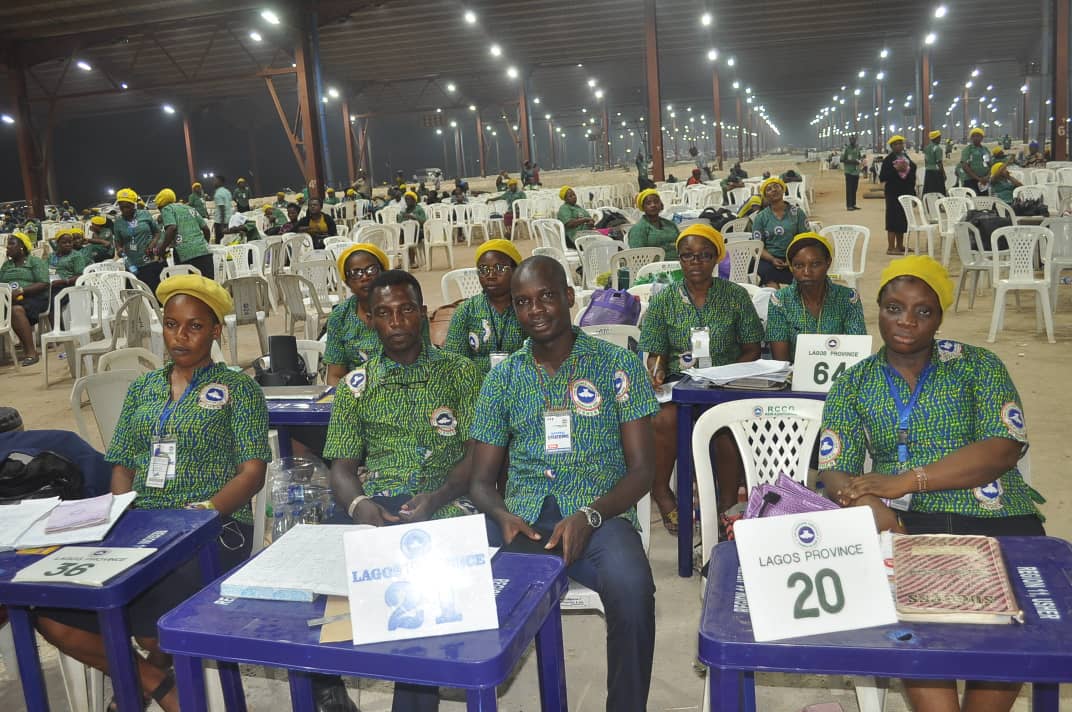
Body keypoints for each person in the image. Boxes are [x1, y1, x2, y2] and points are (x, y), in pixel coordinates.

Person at [34, 275, 269, 712]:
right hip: (141, 526)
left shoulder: (239, 389)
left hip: (212, 529)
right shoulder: (143, 388)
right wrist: (123, 515)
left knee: (147, 625)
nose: (180, 336)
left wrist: (200, 516)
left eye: (195, 326)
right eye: (171, 324)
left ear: (216, 330)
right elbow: (122, 464)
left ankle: (145, 676)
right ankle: (159, 685)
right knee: (53, 616)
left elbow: (252, 473)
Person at [820, 255, 1042, 712]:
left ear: (940, 317)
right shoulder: (854, 382)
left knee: (1007, 646)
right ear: (877, 309)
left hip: (998, 518)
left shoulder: (978, 365)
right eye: (894, 307)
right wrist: (870, 508)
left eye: (924, 311)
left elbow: (1004, 447)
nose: (907, 322)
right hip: (907, 526)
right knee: (924, 646)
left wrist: (905, 481)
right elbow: (833, 463)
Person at [467, 255, 658, 712]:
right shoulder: (503, 378)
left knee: (633, 591)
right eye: (523, 302)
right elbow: (479, 480)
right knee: (463, 593)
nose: (536, 310)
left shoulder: (617, 365)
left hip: (600, 512)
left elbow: (643, 470)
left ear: (570, 298)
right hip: (525, 518)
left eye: (547, 296)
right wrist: (500, 514)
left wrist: (591, 515)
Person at [324, 268, 482, 712]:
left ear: (424, 314)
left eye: (405, 310)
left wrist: (437, 499)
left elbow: (478, 455)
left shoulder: (461, 374)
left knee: (423, 593)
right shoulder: (356, 385)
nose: (396, 322)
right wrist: (358, 506)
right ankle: (327, 690)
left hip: (448, 500)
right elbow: (341, 466)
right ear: (371, 320)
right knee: (316, 569)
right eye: (384, 313)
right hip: (375, 503)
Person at [638, 223, 763, 531]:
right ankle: (663, 494)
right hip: (680, 386)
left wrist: (727, 376)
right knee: (662, 419)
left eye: (705, 255)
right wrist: (657, 370)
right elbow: (654, 352)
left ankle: (725, 505)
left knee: (725, 427)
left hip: (725, 385)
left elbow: (752, 349)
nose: (696, 263)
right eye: (688, 256)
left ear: (716, 258)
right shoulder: (663, 300)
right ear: (680, 259)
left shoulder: (736, 296)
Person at [765, 232, 867, 362]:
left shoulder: (848, 299)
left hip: (842, 379)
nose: (807, 272)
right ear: (791, 267)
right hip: (793, 378)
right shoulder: (780, 301)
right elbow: (781, 361)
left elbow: (857, 351)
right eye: (798, 266)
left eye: (815, 264)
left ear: (828, 263)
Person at [443, 240, 525, 376]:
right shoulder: (467, 311)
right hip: (476, 386)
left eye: (499, 268)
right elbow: (453, 361)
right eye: (484, 270)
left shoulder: (527, 308)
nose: (491, 276)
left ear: (516, 270)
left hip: (521, 383)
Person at [324, 243, 389, 385]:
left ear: (384, 273)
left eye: (372, 270)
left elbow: (423, 363)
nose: (365, 277)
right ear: (347, 283)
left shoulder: (404, 310)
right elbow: (335, 376)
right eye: (356, 273)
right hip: (356, 396)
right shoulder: (340, 317)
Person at [751, 176, 809, 286]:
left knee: (805, 273)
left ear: (783, 189)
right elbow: (757, 246)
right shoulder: (761, 217)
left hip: (794, 257)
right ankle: (776, 301)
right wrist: (772, 259)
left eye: (776, 186)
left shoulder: (797, 213)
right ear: (765, 196)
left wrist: (793, 258)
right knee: (767, 273)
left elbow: (806, 240)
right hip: (769, 259)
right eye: (769, 189)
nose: (773, 190)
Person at [1, 232, 47, 365]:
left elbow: (43, 283)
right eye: (7, 244)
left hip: (34, 298)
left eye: (11, 243)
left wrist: (21, 291)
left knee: (16, 310)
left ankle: (31, 352)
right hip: (9, 299)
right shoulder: (6, 265)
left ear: (22, 246)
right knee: (10, 307)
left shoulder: (35, 262)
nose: (7, 247)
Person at [154, 188, 214, 279]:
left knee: (189, 288)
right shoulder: (189, 208)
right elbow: (206, 229)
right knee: (208, 285)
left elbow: (172, 228)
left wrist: (161, 250)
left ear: (161, 206)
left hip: (185, 255)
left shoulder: (167, 209)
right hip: (204, 252)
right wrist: (202, 244)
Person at [113, 188, 163, 292]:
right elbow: (118, 241)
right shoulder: (118, 222)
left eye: (127, 207)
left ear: (134, 205)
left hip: (150, 260)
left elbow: (157, 232)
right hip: (132, 264)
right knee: (135, 296)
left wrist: (153, 244)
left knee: (154, 292)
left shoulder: (145, 215)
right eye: (122, 207)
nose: (124, 210)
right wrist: (119, 249)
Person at [879, 135, 918, 256]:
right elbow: (882, 177)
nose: (898, 146)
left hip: (905, 192)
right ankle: (891, 247)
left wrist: (913, 193)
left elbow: (913, 169)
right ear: (891, 147)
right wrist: (896, 170)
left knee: (902, 220)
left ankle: (900, 246)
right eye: (895, 144)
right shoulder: (888, 160)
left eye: (900, 143)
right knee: (892, 220)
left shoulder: (905, 157)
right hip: (893, 193)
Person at [627, 188, 679, 258]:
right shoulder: (638, 229)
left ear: (661, 204)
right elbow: (638, 257)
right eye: (648, 203)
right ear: (643, 207)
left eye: (656, 202)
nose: (653, 205)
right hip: (654, 266)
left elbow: (681, 244)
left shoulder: (670, 224)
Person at [958, 127, 990, 194]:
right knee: (972, 201)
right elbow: (965, 166)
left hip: (984, 181)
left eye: (978, 136)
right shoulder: (968, 150)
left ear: (982, 137)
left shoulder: (985, 150)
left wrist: (987, 177)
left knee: (984, 201)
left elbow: (988, 164)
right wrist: (978, 178)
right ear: (971, 138)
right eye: (973, 136)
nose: (976, 138)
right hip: (970, 181)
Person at [841, 135, 863, 210]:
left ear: (856, 140)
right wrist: (852, 162)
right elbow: (842, 160)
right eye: (851, 139)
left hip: (856, 172)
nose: (853, 141)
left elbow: (860, 157)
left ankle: (853, 204)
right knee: (849, 189)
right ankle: (849, 205)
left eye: (854, 139)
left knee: (854, 189)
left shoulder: (857, 148)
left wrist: (861, 161)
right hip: (849, 172)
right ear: (849, 140)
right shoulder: (846, 149)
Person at [922, 130, 947, 196]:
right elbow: (939, 162)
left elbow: (925, 161)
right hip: (936, 172)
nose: (940, 139)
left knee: (929, 190)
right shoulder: (938, 149)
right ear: (936, 138)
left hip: (928, 171)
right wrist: (943, 173)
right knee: (938, 191)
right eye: (939, 138)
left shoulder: (926, 148)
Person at [212, 175, 234, 243]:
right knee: (228, 242)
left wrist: (221, 226)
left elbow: (222, 210)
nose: (213, 182)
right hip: (230, 220)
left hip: (220, 222)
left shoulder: (218, 193)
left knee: (219, 242)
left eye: (215, 181)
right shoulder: (227, 191)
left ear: (220, 182)